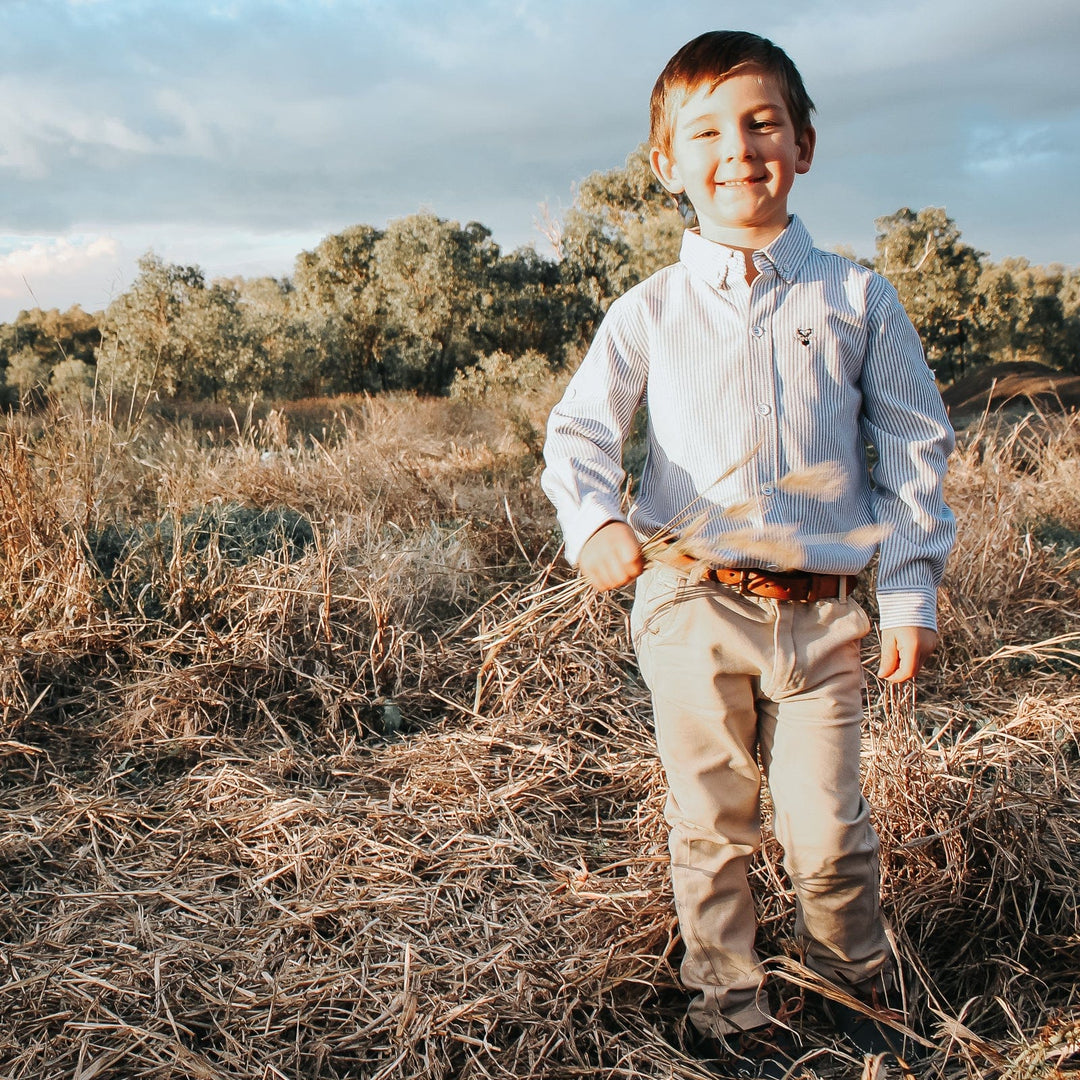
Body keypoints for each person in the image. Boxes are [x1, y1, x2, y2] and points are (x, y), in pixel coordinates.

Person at [541, 29, 955, 1079]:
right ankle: (728, 1005)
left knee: (826, 826)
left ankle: (853, 985)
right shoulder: (650, 310)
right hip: (689, 606)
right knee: (711, 817)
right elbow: (580, 432)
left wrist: (908, 591)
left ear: (804, 143)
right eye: (708, 131)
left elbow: (913, 441)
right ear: (666, 164)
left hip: (825, 614)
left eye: (763, 121)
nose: (739, 148)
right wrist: (595, 525)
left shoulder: (858, 299)